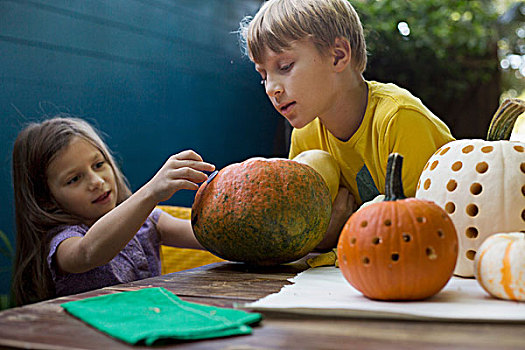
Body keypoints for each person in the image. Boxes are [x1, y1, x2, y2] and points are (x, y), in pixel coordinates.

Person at [239, 0, 455, 249]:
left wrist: (336, 233)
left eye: (285, 67)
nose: (271, 89)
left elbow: (428, 233)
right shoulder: (305, 136)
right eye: (263, 76)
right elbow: (299, 230)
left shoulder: (399, 120)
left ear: (338, 55)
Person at [11, 116, 215, 305]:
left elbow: (210, 237)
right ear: (46, 200)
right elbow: (88, 252)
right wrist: (150, 192)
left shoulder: (149, 221)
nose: (97, 182)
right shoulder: (62, 242)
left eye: (99, 164)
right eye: (74, 179)